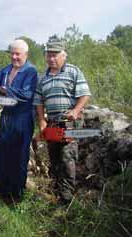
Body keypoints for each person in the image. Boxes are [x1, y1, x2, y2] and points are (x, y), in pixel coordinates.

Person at [0, 39, 38, 203]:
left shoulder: (31, 72)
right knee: (2, 152)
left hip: (23, 117)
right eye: (12, 53)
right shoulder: (6, 70)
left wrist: (3, 90)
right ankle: (0, 187)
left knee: (19, 155)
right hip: (6, 117)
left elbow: (26, 94)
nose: (14, 57)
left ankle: (16, 193)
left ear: (25, 54)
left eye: (17, 54)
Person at [33, 39, 91, 202]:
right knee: (54, 158)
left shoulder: (73, 71)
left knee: (67, 158)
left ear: (63, 55)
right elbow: (38, 101)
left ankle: (66, 198)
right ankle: (57, 191)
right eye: (49, 55)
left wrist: (76, 110)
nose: (51, 59)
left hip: (69, 122)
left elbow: (84, 94)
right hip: (51, 122)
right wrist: (42, 122)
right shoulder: (42, 77)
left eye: (55, 55)